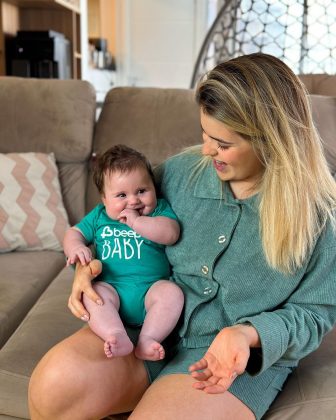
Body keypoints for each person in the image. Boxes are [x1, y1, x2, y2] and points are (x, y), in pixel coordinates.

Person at [28, 53, 336, 420]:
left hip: (225, 362)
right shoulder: (178, 173)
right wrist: (88, 268)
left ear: (272, 138)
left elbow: (316, 313)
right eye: (205, 135)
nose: (207, 151)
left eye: (223, 144)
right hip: (141, 327)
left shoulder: (320, 214)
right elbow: (112, 220)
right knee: (52, 387)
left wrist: (248, 334)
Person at [63, 144, 183, 360]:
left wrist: (138, 223)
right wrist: (77, 247)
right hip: (112, 288)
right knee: (94, 295)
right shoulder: (100, 216)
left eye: (141, 191)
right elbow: (73, 233)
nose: (133, 200)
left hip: (150, 289)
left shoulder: (159, 210)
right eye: (121, 195)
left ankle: (148, 338)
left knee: (172, 294)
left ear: (153, 188)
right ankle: (115, 334)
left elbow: (171, 233)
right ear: (104, 200)